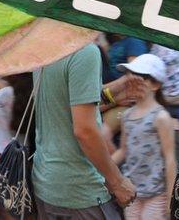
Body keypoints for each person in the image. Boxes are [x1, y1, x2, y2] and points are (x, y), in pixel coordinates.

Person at [33, 43, 135, 219]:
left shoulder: (47, 44)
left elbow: (69, 98)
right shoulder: (84, 51)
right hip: (79, 190)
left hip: (47, 182)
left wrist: (115, 93)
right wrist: (117, 183)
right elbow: (85, 131)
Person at [111, 55, 174, 220]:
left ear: (156, 84)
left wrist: (171, 197)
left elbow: (170, 159)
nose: (134, 80)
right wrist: (103, 168)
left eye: (143, 77)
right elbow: (123, 150)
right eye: (131, 74)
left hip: (157, 193)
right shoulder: (126, 116)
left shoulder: (161, 117)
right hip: (132, 192)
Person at [0, 74, 33, 220]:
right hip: (23, 154)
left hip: (0, 155)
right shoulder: (32, 94)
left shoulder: (5, 93)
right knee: (19, 206)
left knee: (0, 207)